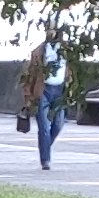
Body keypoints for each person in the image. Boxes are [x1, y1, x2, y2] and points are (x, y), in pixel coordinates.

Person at [32, 39, 69, 169]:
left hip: (60, 89)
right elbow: (31, 74)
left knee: (58, 124)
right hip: (43, 90)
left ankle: (45, 146)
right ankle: (45, 160)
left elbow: (71, 69)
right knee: (44, 127)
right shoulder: (40, 50)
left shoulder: (66, 49)